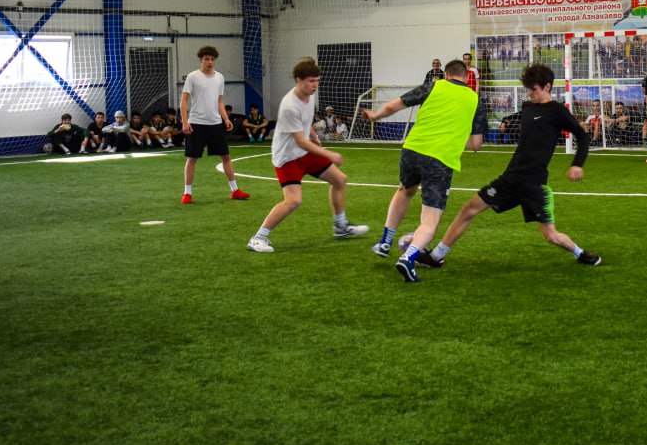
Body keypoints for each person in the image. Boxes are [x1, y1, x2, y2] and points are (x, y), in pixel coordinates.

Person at [417, 63, 601, 280]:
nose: (530, 93)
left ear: (547, 86)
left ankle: (580, 253)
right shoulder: (528, 107)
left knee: (551, 236)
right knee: (469, 209)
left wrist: (577, 164)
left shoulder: (557, 111)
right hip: (510, 178)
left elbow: (582, 136)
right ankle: (436, 256)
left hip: (533, 184)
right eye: (528, 89)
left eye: (534, 89)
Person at [362, 58, 487, 282]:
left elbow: (394, 105)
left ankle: (385, 242)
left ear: (446, 74)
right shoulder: (475, 99)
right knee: (430, 220)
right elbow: (476, 144)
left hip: (411, 149)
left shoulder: (433, 86)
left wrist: (375, 116)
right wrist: (456, 137)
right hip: (440, 159)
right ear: (466, 77)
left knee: (405, 190)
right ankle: (408, 258)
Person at [246, 58, 369, 253]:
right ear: (298, 80)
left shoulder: (309, 96)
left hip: (305, 152)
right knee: (293, 201)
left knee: (339, 180)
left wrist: (313, 135)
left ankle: (341, 226)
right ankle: (258, 238)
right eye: (311, 81)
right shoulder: (289, 106)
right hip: (288, 158)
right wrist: (329, 154)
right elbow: (299, 141)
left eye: (317, 81)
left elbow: (306, 123)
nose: (315, 85)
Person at [180, 45, 249, 204]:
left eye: (212, 59)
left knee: (226, 156)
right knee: (192, 158)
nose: (210, 62)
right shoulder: (192, 77)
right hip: (196, 124)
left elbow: (219, 101)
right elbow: (184, 100)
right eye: (207, 59)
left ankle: (235, 190)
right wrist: (185, 121)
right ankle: (187, 193)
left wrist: (226, 118)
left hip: (216, 124)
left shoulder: (220, 78)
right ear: (201, 60)